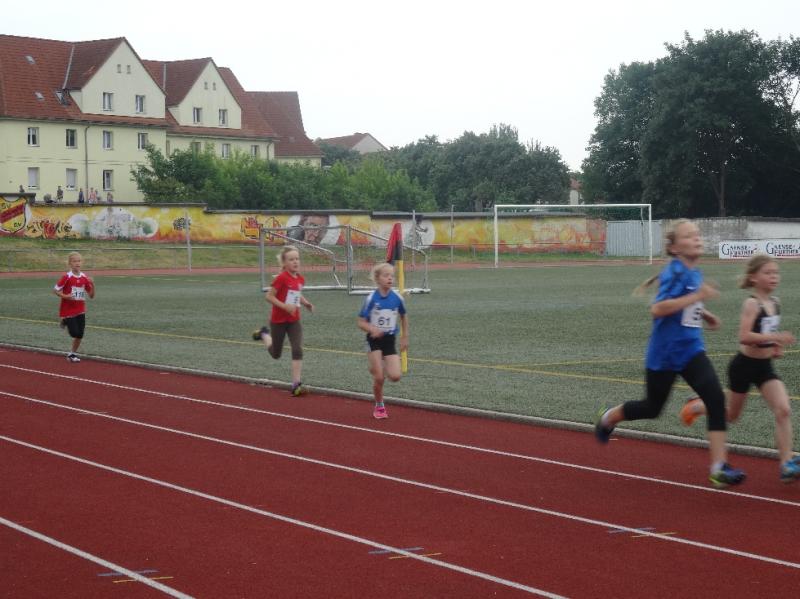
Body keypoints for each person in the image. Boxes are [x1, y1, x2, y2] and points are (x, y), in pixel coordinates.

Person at [594, 219, 746, 488]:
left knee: (714, 398)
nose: (697, 238)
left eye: (697, 234)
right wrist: (697, 297)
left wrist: (706, 314)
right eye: (689, 236)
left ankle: (719, 467)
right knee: (652, 408)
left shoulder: (694, 272)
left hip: (691, 351)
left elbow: (688, 302)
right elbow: (659, 308)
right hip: (664, 355)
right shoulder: (673, 272)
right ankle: (608, 417)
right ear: (675, 248)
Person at [680, 255, 799, 482]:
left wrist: (775, 346)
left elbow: (767, 332)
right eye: (768, 273)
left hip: (765, 367)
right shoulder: (751, 304)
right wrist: (776, 337)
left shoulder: (776, 303)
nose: (774, 277)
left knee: (783, 409)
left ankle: (786, 464)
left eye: (776, 273)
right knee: (731, 416)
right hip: (743, 367)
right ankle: (696, 406)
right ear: (753, 278)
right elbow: (744, 336)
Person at [251, 245, 314, 396]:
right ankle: (264, 333)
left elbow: (297, 293)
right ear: (284, 263)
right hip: (278, 321)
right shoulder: (281, 278)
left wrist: (306, 303)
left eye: (297, 259)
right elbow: (269, 296)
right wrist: (284, 306)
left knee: (297, 349)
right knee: (276, 354)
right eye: (291, 259)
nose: (295, 262)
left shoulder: (300, 278)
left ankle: (296, 385)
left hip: (294, 321)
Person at [357, 262, 409, 419]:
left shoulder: (397, 298)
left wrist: (405, 337)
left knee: (395, 376)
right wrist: (372, 329)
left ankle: (378, 365)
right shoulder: (371, 298)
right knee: (379, 377)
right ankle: (379, 406)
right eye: (386, 276)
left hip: (389, 340)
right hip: (374, 340)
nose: (390, 278)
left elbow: (404, 316)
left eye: (392, 276)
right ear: (378, 278)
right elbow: (360, 322)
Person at [53, 251, 95, 363]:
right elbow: (56, 290)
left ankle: (72, 354)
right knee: (74, 333)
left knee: (80, 334)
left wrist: (93, 284)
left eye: (79, 261)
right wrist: (65, 296)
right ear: (70, 263)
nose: (77, 263)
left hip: (80, 309)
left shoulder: (84, 277)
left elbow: (91, 296)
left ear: (82, 262)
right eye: (74, 261)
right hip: (68, 310)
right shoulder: (66, 277)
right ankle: (65, 321)